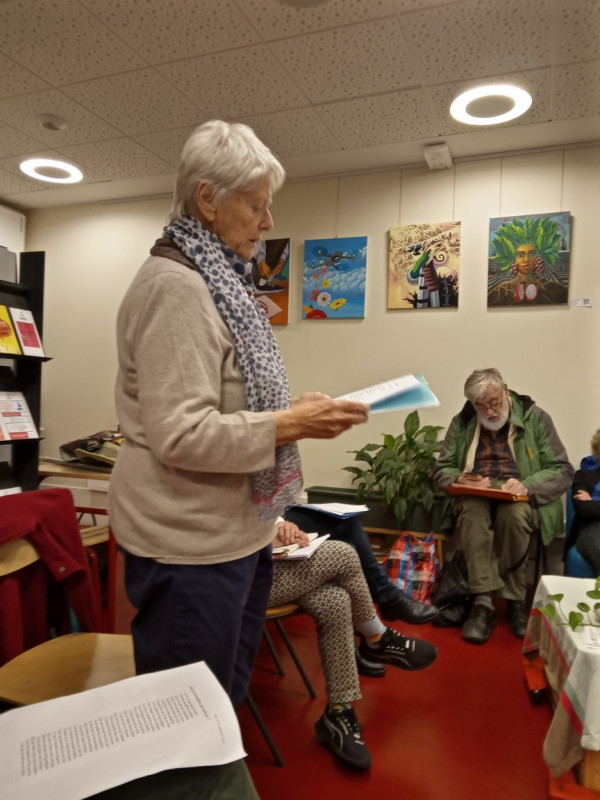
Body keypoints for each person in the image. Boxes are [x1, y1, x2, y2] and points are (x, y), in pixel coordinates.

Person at [108, 120, 370, 710]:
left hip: (238, 534)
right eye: (256, 205)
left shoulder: (217, 279)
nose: (268, 221)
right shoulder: (176, 288)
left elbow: (228, 401)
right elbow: (183, 433)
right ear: (208, 199)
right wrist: (292, 425)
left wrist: (291, 411)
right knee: (190, 717)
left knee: (222, 702)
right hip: (190, 545)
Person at [271, 519, 438, 770]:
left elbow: (260, 510)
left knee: (336, 601)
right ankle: (377, 637)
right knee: (344, 553)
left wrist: (283, 524)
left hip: (269, 562)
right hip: (240, 579)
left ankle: (338, 712)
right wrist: (268, 534)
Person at [433, 368, 573, 644]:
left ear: (506, 390)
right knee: (472, 514)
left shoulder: (536, 418)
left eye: (494, 403)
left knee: (515, 516)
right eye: (480, 406)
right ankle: (482, 603)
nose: (489, 412)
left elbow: (562, 469)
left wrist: (527, 485)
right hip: (477, 493)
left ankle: (515, 600)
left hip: (519, 493)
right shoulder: (462, 422)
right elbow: (442, 469)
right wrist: (460, 478)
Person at [283, 505, 439, 623]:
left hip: (279, 512)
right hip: (271, 523)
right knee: (347, 522)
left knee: (348, 545)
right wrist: (278, 522)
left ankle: (373, 631)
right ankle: (383, 611)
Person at [568, 429, 600, 575]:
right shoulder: (582, 476)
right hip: (592, 529)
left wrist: (593, 502)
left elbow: (590, 507)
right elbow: (583, 509)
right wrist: (590, 506)